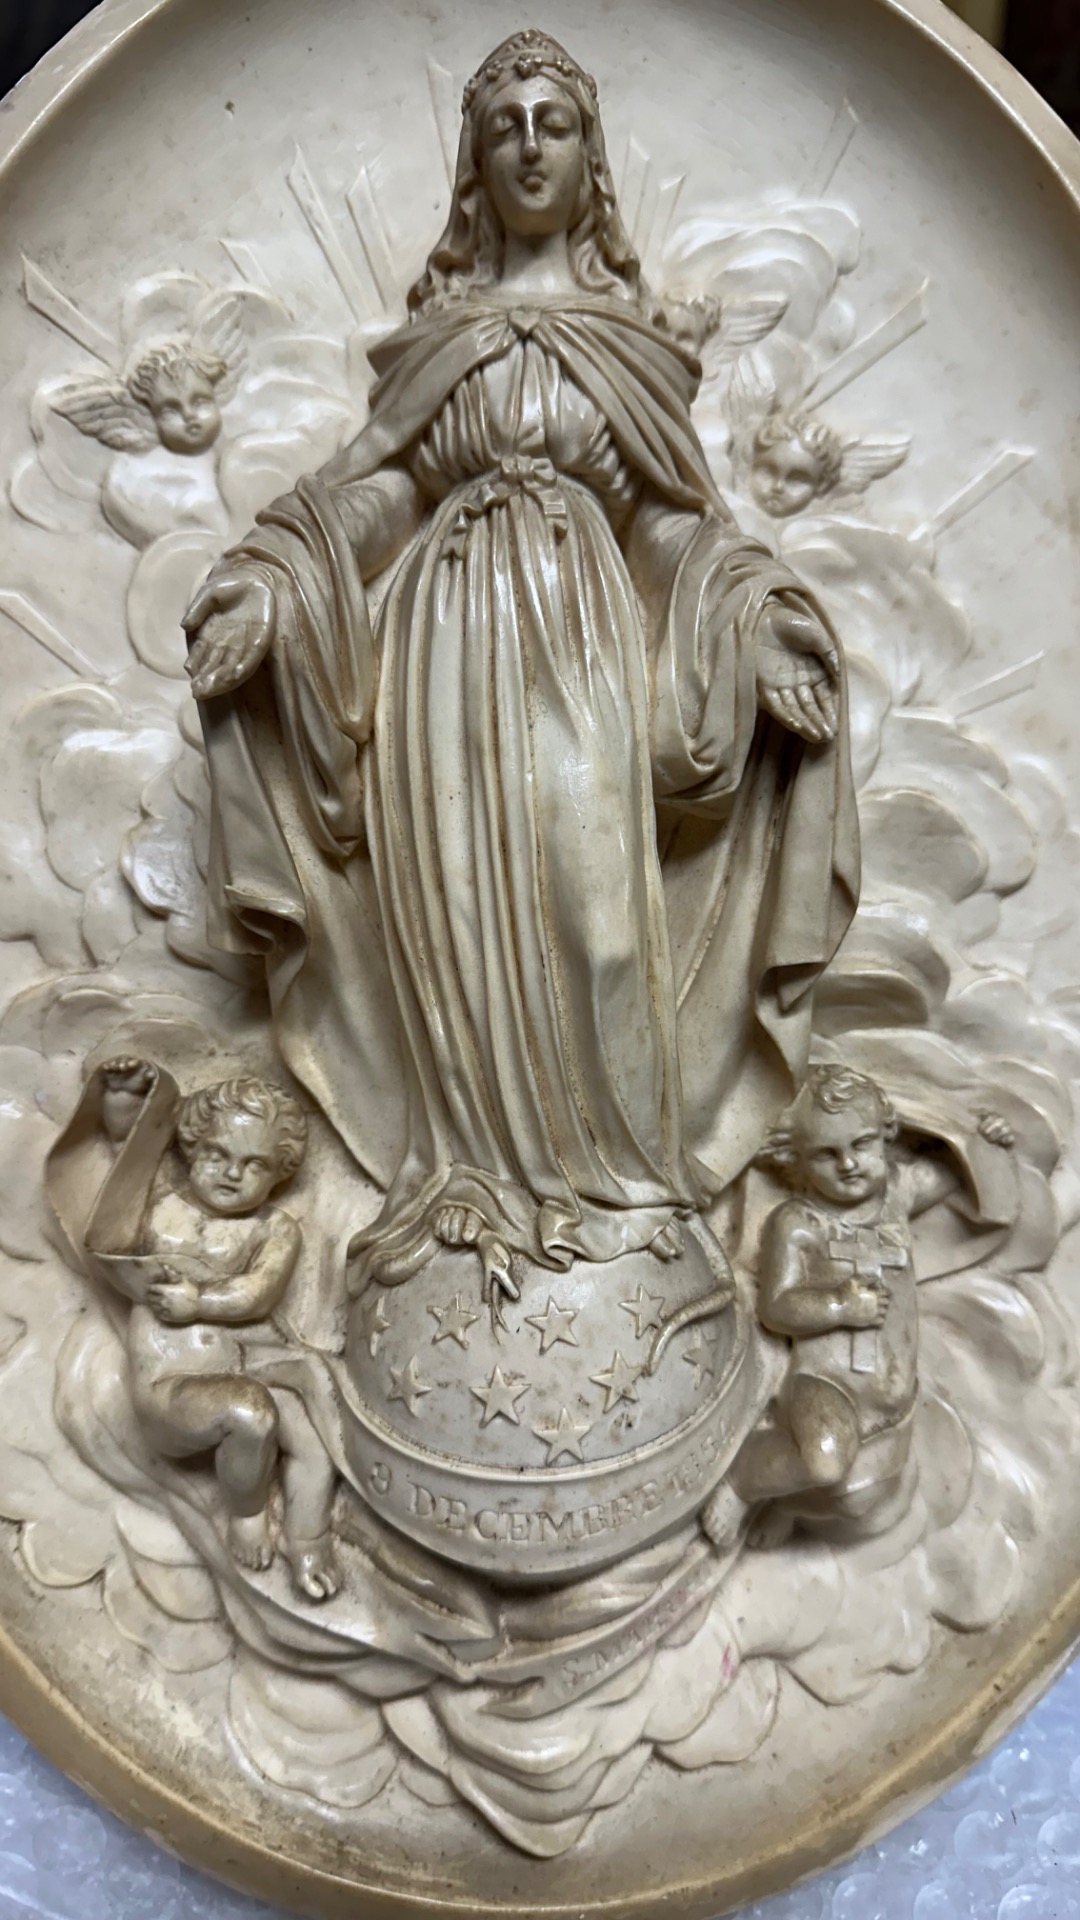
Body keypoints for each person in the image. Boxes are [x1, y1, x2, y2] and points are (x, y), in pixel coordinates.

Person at [180, 30, 859, 1295]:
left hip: (584, 653)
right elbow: (377, 498)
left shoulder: (628, 349)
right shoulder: (441, 342)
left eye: (556, 123)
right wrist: (276, 586)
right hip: (440, 659)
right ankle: (468, 1182)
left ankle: (617, 1190)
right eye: (508, 126)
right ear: (476, 163)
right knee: (450, 908)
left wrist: (756, 621)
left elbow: (668, 524)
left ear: (592, 157)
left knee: (597, 922)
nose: (533, 146)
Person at [707, 1064, 1015, 1543]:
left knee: (860, 1502)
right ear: (795, 1159)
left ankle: (789, 1507)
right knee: (823, 1461)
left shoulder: (898, 1193)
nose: (848, 1163)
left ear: (885, 1137)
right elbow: (777, 1306)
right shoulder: (798, 1223)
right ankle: (744, 1482)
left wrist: (986, 1140)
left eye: (862, 1144)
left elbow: (962, 1169)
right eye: (826, 1154)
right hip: (827, 1383)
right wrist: (838, 1307)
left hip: (893, 1395)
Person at [94, 1059, 342, 1600]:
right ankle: (247, 1513)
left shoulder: (275, 1229)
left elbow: (258, 1293)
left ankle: (307, 1538)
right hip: (171, 1386)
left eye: (254, 1164)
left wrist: (199, 1302)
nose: (232, 1173)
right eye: (217, 1155)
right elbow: (126, 1157)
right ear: (191, 1148)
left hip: (251, 1361)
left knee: (316, 1439)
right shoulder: (161, 1205)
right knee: (248, 1416)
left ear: (281, 1172)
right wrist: (123, 1100)